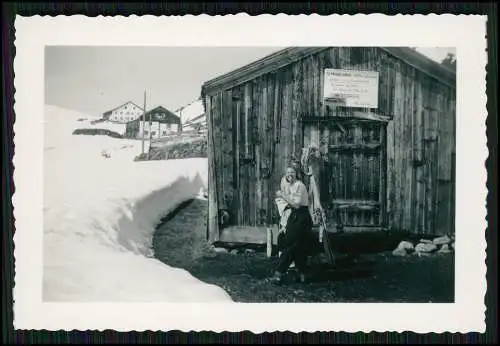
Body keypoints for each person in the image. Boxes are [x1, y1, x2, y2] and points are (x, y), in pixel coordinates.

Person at [270, 163, 313, 285]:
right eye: (288, 172)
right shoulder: (290, 186)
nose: (289, 175)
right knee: (299, 247)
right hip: (295, 216)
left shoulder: (299, 185)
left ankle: (279, 274)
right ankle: (302, 274)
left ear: (297, 174)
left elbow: (296, 204)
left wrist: (283, 196)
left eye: (292, 172)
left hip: (301, 217)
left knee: (291, 245)